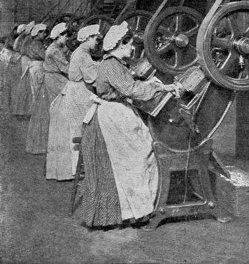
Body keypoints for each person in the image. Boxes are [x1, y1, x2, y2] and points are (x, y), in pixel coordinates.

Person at [78, 21, 178, 229]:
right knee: (137, 157)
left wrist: (155, 86)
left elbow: (130, 85)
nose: (133, 48)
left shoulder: (115, 63)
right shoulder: (111, 65)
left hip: (117, 113)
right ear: (120, 44)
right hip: (112, 118)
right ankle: (133, 211)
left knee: (138, 155)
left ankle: (138, 209)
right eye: (130, 44)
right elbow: (130, 89)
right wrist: (162, 89)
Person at [46, 24, 100, 181]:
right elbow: (93, 78)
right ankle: (81, 167)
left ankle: (78, 166)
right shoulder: (83, 55)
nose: (97, 43)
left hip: (74, 90)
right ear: (88, 39)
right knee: (82, 128)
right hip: (79, 93)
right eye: (96, 39)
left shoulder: (79, 52)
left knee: (76, 128)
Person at [26, 22, 69, 154]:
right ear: (59, 36)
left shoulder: (53, 47)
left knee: (47, 110)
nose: (67, 39)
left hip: (51, 78)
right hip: (54, 80)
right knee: (60, 108)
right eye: (65, 36)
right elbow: (65, 67)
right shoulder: (54, 50)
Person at [13, 21, 35, 116]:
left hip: (25, 59)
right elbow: (23, 50)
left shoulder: (24, 38)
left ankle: (24, 110)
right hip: (27, 60)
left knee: (26, 84)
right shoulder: (27, 38)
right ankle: (25, 110)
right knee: (27, 84)